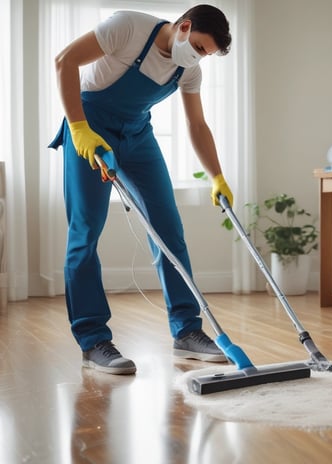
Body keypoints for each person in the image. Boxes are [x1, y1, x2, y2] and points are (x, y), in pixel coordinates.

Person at [49, 5, 234, 375]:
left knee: (169, 229)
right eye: (198, 47)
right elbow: (65, 61)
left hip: (137, 134)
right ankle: (93, 340)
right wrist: (79, 129)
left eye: (205, 55)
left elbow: (197, 125)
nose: (198, 58)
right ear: (184, 26)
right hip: (90, 125)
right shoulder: (128, 27)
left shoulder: (189, 70)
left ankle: (187, 330)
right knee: (85, 232)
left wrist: (217, 177)